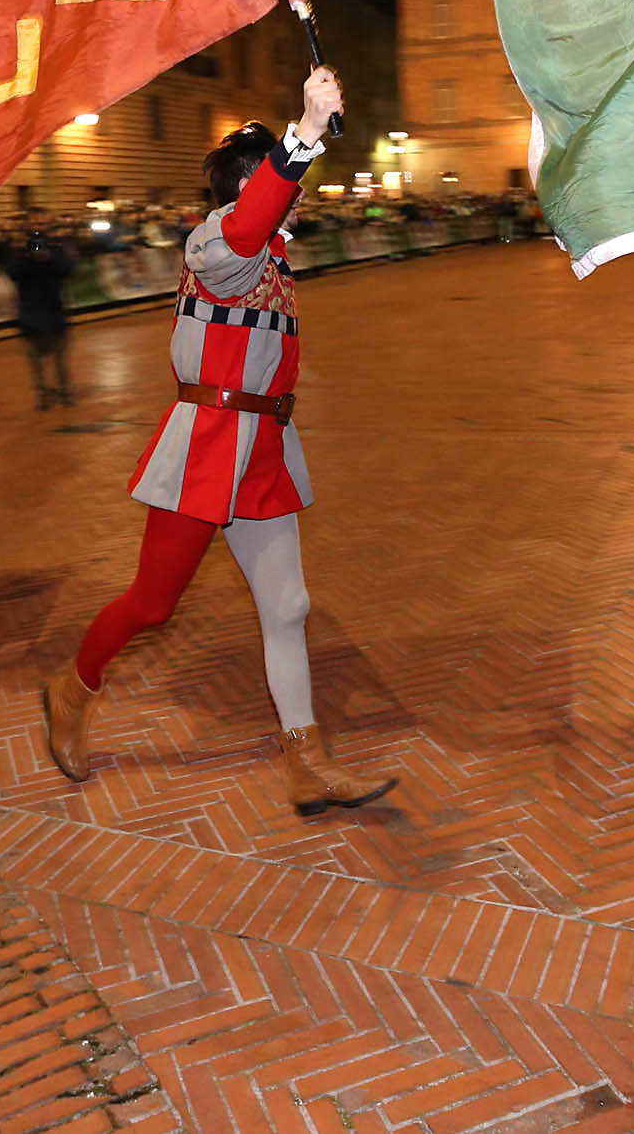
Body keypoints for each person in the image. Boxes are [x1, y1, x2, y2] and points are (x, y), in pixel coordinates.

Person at [39, 66, 399, 816]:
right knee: (152, 604)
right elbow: (244, 229)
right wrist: (303, 135)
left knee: (288, 607)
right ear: (250, 183)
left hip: (263, 445)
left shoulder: (271, 253)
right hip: (206, 443)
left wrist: (304, 142)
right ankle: (72, 689)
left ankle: (307, 760)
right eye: (282, 178)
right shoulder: (219, 243)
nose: (299, 190)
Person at [6, 222, 79, 407]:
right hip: (30, 314)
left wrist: (50, 258)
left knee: (60, 356)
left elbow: (68, 269)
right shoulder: (20, 254)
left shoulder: (55, 249)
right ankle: (43, 393)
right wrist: (25, 257)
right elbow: (12, 273)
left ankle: (64, 390)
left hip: (53, 311)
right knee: (35, 359)